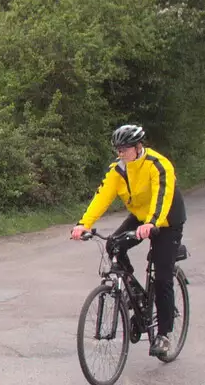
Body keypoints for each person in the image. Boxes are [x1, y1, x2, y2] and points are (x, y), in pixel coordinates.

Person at [70, 124, 186, 357]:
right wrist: (84, 224)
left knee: (162, 276)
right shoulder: (118, 170)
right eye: (118, 149)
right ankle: (132, 288)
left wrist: (152, 223)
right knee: (113, 243)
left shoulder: (158, 164)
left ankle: (164, 335)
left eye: (124, 149)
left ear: (137, 146)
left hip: (167, 219)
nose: (120, 153)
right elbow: (101, 197)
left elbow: (163, 196)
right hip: (142, 217)